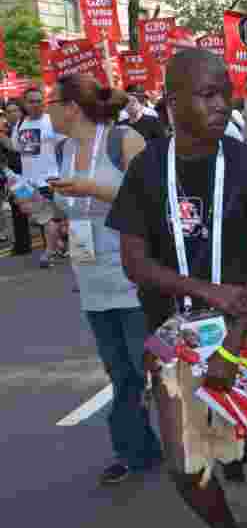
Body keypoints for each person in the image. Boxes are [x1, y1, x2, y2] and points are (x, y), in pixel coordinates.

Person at [106, 49, 247, 528]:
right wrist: (207, 292)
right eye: (208, 94)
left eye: (225, 94)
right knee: (185, 466)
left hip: (246, 325)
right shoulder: (147, 169)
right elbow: (135, 263)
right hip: (175, 334)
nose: (221, 105)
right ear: (173, 101)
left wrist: (231, 347)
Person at [46, 74, 162, 484]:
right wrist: (56, 223)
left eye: (52, 101)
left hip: (134, 277)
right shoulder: (62, 148)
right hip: (91, 279)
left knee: (156, 370)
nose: (47, 109)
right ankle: (136, 451)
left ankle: (200, 442)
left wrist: (93, 189)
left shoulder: (123, 140)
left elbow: (153, 197)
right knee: (121, 373)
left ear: (72, 106)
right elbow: (69, 207)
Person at [11, 86, 66, 267]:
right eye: (32, 101)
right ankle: (58, 245)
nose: (36, 104)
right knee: (39, 218)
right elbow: (17, 148)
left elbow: (66, 144)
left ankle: (49, 253)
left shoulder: (52, 121)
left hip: (49, 179)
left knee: (48, 218)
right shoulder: (20, 124)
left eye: (39, 100)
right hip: (28, 182)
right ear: (25, 104)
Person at [1, 100, 32, 254]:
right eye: (9, 111)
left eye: (15, 110)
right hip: (15, 177)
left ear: (21, 111)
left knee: (40, 210)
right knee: (19, 210)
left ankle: (55, 245)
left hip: (31, 175)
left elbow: (24, 150)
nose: (12, 114)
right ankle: (22, 245)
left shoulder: (27, 127)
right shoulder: (6, 131)